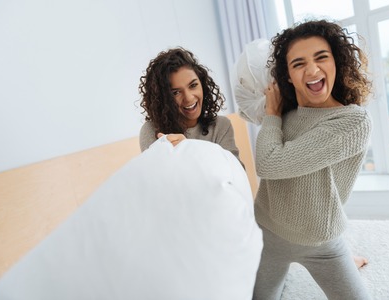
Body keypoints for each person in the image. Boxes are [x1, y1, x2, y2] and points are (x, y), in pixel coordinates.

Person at [252, 19, 373, 299]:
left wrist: (271, 114)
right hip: (269, 232)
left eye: (322, 57)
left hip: (321, 243)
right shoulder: (284, 115)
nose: (312, 70)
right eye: (298, 64)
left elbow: (269, 162)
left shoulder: (352, 120)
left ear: (337, 63)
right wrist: (274, 112)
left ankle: (348, 260)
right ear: (288, 76)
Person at [138, 47, 240, 162]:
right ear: (164, 99)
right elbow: (157, 178)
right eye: (176, 92)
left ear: (202, 84)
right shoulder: (153, 131)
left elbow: (237, 173)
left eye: (193, 85)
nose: (189, 97)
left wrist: (189, 149)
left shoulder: (220, 126)